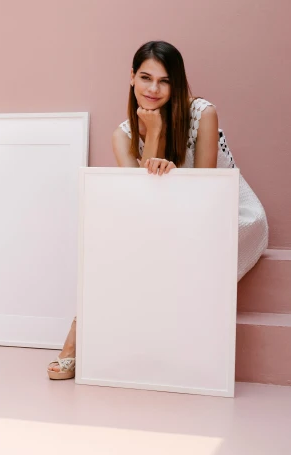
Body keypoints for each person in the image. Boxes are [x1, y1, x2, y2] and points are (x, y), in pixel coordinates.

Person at [47, 40, 269, 380]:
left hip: (224, 215)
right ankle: (83, 334)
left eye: (164, 81)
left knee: (151, 254)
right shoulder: (123, 135)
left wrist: (168, 161)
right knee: (116, 247)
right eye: (146, 78)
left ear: (176, 83)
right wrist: (154, 133)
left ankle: (85, 341)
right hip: (165, 220)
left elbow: (205, 192)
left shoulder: (202, 114)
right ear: (132, 78)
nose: (153, 89)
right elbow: (141, 204)